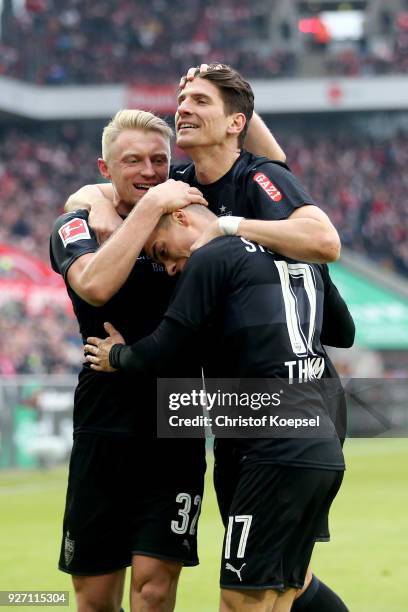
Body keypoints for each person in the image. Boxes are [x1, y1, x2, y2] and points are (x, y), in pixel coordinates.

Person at [65, 63, 348, 612]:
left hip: (285, 410)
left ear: (236, 122)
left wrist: (229, 227)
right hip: (238, 413)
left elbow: (324, 239)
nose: (183, 107)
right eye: (181, 98)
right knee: (289, 577)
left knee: (252, 590)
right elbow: (105, 188)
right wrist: (96, 200)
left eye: (198, 100)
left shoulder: (255, 183)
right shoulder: (183, 189)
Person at [83, 203, 355, 612]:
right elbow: (344, 332)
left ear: (181, 217)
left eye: (162, 251)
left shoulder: (211, 256)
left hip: (274, 449)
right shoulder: (295, 249)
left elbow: (163, 347)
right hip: (321, 444)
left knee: (239, 601)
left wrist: (117, 356)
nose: (172, 266)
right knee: (283, 594)